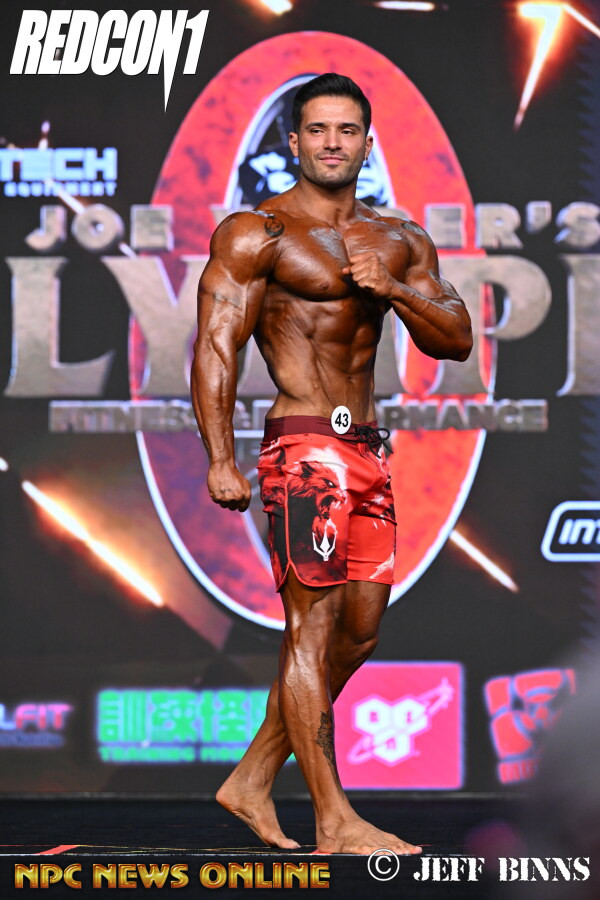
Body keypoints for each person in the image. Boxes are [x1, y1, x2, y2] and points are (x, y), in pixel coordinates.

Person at [191, 73, 472, 855]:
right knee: (310, 629)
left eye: (347, 130)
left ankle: (252, 779)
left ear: (367, 143)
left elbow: (455, 338)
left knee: (359, 633)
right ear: (293, 141)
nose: (332, 143)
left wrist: (394, 289)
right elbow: (215, 347)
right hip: (302, 444)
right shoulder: (258, 233)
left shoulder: (399, 238)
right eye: (317, 130)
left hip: (367, 446)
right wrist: (221, 457)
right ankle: (334, 819)